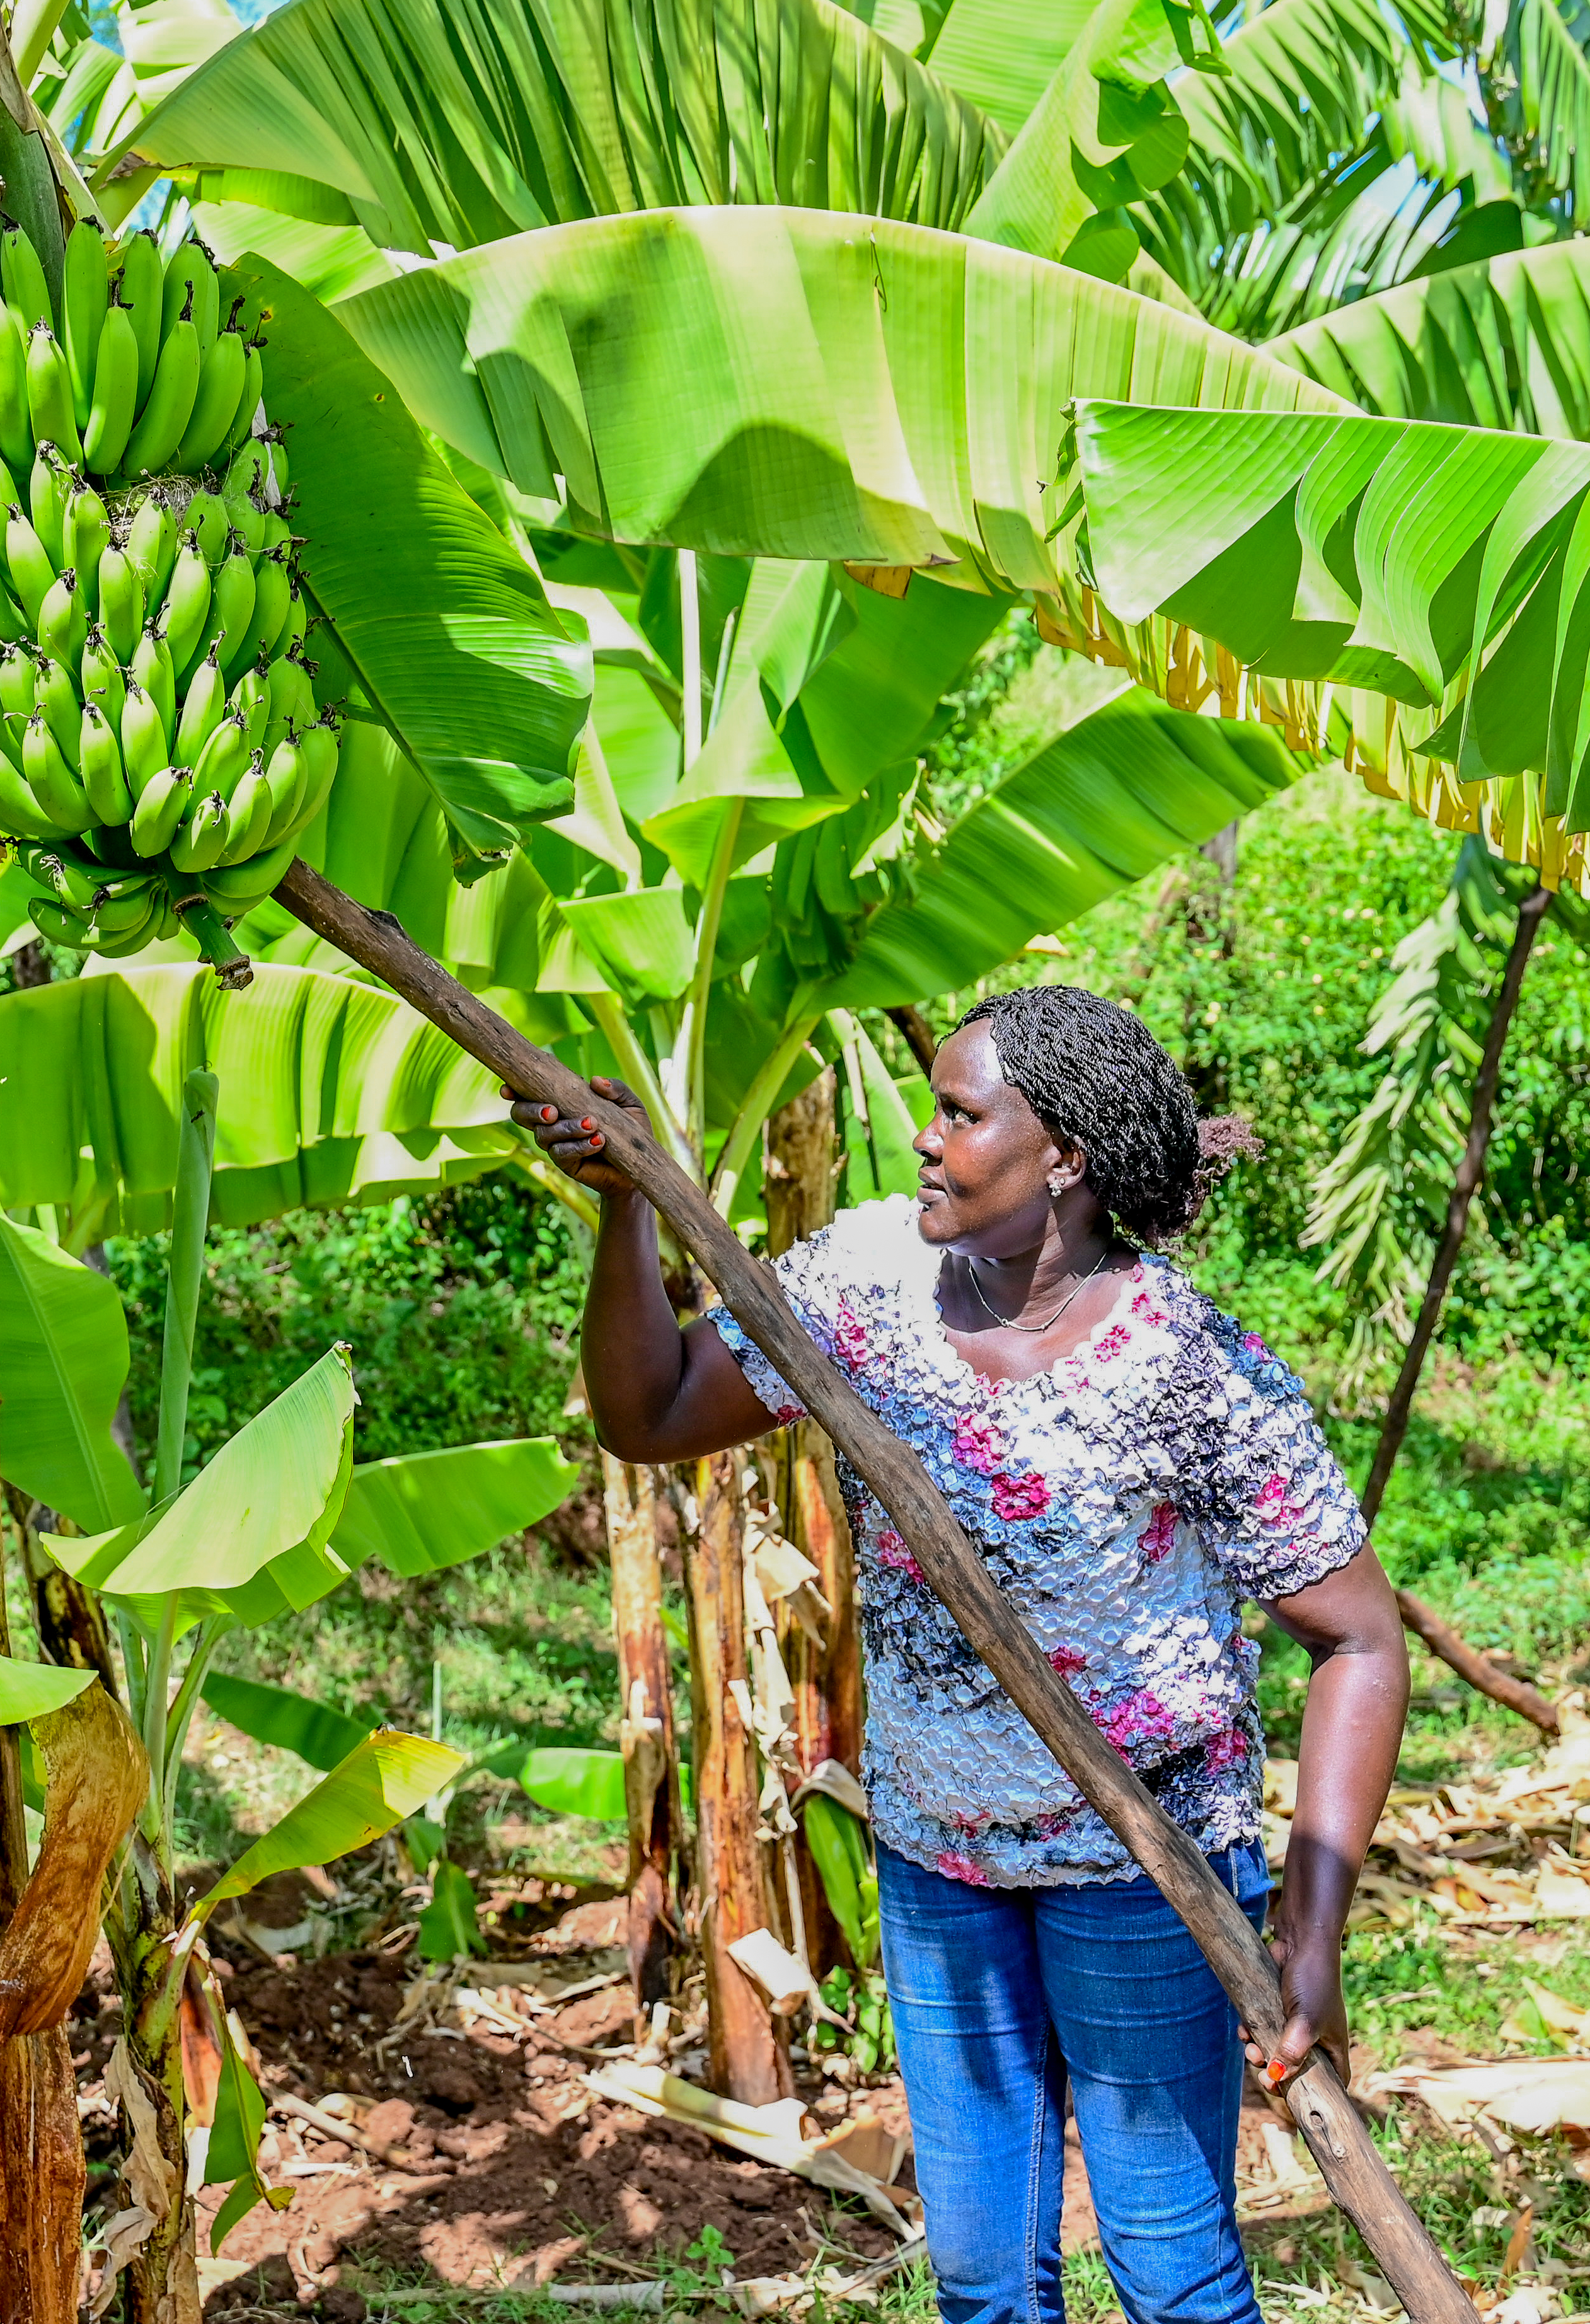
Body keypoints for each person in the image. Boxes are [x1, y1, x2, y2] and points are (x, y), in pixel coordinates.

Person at [516, 983, 1408, 2324]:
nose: (926, 1140)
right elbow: (649, 1413)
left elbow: (1360, 1639)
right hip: (942, 1861)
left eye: (959, 1113)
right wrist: (629, 1206)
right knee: (985, 2281)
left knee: (1174, 2270)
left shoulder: (1184, 1367)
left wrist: (1314, 1921)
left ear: (1067, 1156)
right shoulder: (868, 1282)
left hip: (1143, 1871)